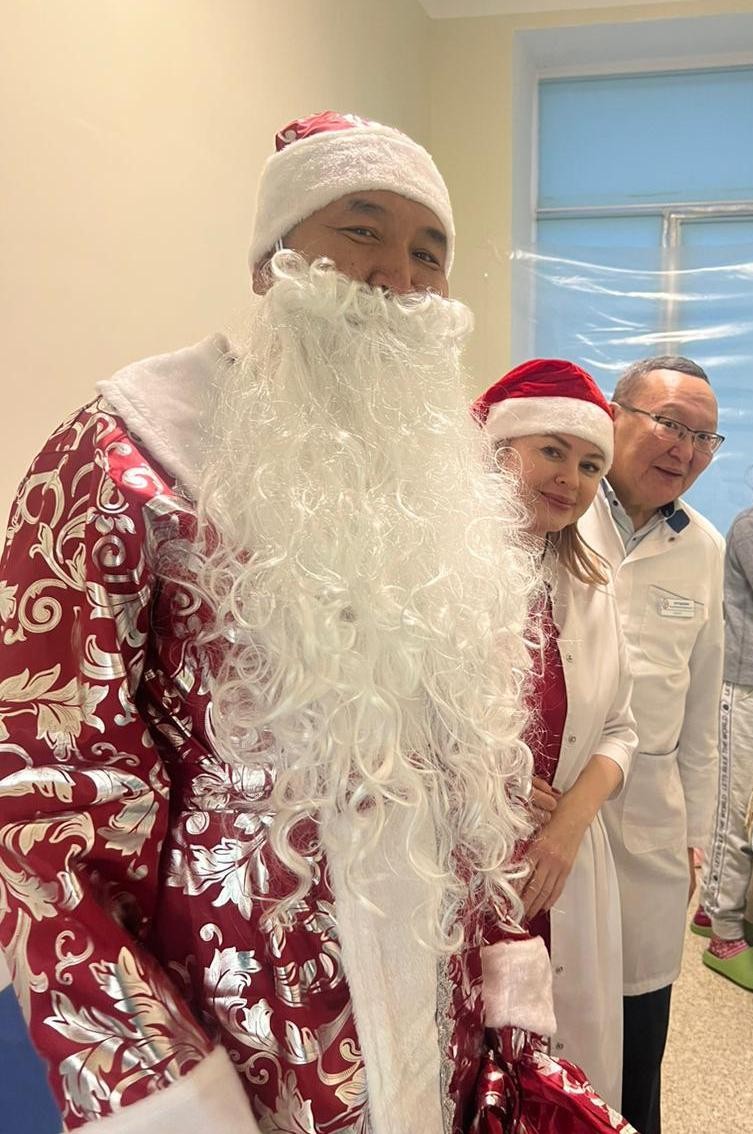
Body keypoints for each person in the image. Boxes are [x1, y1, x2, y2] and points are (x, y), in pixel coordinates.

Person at [0, 112, 552, 1134]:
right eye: (362, 230)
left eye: (429, 253)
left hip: (435, 1023)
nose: (397, 276)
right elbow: (44, 804)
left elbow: (471, 779)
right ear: (271, 262)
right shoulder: (126, 459)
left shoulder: (440, 494)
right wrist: (160, 1090)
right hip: (233, 1039)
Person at [472, 359, 637, 1109]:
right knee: (479, 1077)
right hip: (470, 868)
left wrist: (569, 825)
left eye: (591, 464)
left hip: (565, 865)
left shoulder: (592, 584)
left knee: (568, 1082)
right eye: (552, 451)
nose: (571, 478)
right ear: (497, 449)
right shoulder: (435, 580)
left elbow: (621, 728)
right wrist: (489, 774)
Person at [579, 355, 725, 1134]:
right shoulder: (559, 512)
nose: (685, 450)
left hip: (649, 826)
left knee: (638, 1037)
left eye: (704, 438)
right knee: (553, 1020)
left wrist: (695, 834)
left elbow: (701, 711)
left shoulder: (702, 547)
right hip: (553, 814)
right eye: (669, 423)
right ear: (612, 414)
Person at [691, 504, 753, 990]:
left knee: (734, 806)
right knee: (733, 810)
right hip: (741, 688)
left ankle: (711, 912)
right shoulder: (749, 526)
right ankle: (724, 935)